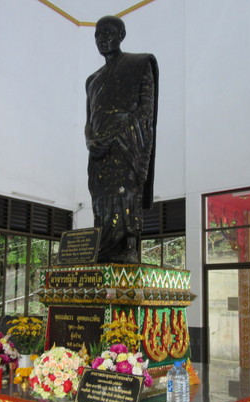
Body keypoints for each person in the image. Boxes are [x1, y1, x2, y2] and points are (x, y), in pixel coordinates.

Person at [85, 15, 158, 264]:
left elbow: (146, 109)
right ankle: (104, 248)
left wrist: (116, 132)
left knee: (125, 193)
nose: (102, 39)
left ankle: (129, 247)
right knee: (100, 199)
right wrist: (91, 142)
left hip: (127, 143)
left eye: (108, 33)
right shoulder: (92, 80)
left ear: (121, 36)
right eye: (98, 34)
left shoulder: (139, 64)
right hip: (99, 151)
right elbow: (89, 120)